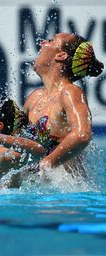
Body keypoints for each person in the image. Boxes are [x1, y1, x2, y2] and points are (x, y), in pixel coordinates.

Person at [24, 33, 103, 171]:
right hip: (38, 190)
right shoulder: (34, 98)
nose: (42, 43)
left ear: (61, 55)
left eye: (51, 40)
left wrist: (47, 164)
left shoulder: (70, 93)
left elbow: (82, 135)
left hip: (66, 191)